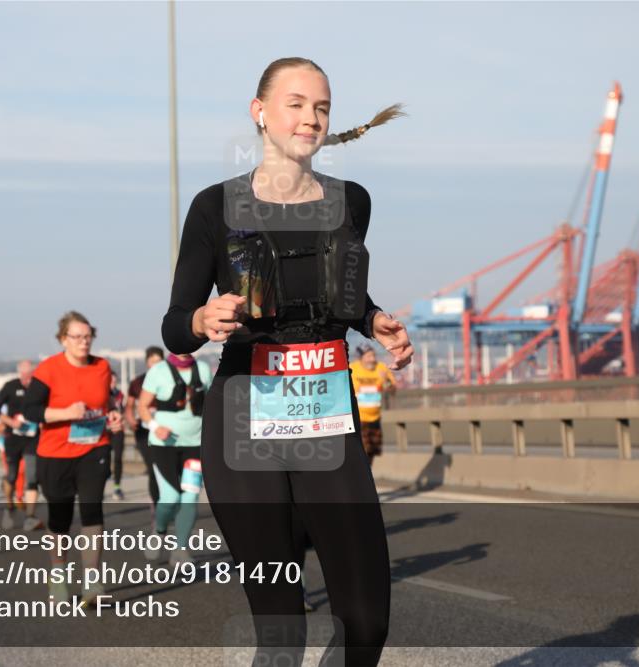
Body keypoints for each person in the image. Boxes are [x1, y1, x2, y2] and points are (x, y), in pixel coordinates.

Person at [161, 57, 413, 666]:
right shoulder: (214, 206)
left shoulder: (351, 201)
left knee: (367, 621)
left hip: (328, 420)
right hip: (244, 424)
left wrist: (373, 323)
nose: (311, 118)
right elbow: (176, 325)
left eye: (321, 107)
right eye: (296, 104)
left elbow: (342, 298)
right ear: (261, 113)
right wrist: (202, 320)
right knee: (281, 630)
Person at [23, 311, 123, 607]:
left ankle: (93, 584)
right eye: (77, 337)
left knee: (92, 510)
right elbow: (30, 410)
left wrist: (113, 415)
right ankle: (59, 578)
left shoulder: (102, 367)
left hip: (95, 448)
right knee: (60, 519)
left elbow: (107, 402)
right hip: (55, 453)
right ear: (63, 339)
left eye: (88, 336)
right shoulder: (48, 369)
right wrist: (66, 413)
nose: (83, 342)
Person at [137, 352, 211, 565]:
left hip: (194, 444)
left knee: (189, 498)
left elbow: (213, 402)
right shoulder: (158, 371)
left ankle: (180, 549)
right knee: (170, 497)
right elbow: (142, 406)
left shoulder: (203, 370)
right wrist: (155, 427)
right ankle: (159, 530)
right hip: (164, 445)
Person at [0, 361, 43, 530]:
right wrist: (10, 422)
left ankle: (30, 516)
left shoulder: (39, 387)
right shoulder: (10, 386)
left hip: (32, 437)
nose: (28, 379)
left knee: (32, 475)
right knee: (12, 476)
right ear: (20, 373)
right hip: (13, 438)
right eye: (25, 375)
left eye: (31, 375)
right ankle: (9, 507)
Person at [125, 346, 164, 509]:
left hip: (165, 430)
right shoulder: (137, 382)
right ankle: (156, 504)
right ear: (147, 363)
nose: (155, 364)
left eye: (158, 361)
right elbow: (129, 405)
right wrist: (130, 418)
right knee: (153, 466)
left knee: (164, 466)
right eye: (152, 361)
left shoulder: (170, 379)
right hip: (144, 431)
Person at [349, 344, 397, 465]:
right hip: (358, 418)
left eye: (373, 355)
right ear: (361, 358)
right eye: (369, 356)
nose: (372, 359)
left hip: (375, 417)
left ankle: (366, 478)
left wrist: (385, 380)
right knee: (362, 452)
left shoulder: (381, 368)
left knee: (371, 452)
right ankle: (360, 480)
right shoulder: (352, 369)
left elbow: (392, 390)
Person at [108, 371, 126, 501]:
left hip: (118, 430)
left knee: (118, 458)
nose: (113, 383)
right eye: (111, 381)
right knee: (104, 459)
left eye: (115, 381)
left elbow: (123, 410)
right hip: (105, 430)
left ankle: (117, 487)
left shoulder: (120, 394)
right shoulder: (101, 394)